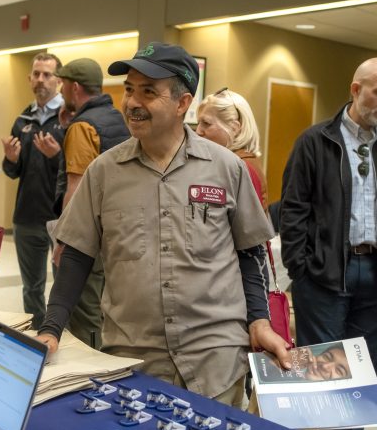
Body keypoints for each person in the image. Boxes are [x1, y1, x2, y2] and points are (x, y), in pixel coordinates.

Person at [37, 42, 290, 406]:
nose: (132, 103)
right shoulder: (104, 172)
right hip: (134, 360)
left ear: (182, 103)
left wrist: (259, 322)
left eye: (148, 92)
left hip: (215, 362)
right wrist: (51, 329)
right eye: (129, 90)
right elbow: (75, 255)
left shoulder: (226, 168)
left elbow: (249, 255)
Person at [281, 58, 377, 368]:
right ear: (355, 89)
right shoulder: (315, 141)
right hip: (324, 273)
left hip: (373, 273)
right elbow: (293, 209)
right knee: (323, 371)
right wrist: (300, 269)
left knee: (366, 370)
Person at [53, 58, 130, 348]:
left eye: (62, 84)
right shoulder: (117, 118)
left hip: (88, 239)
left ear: (74, 87)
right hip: (116, 231)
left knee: (85, 314)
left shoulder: (84, 127)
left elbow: (75, 187)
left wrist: (63, 241)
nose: (60, 90)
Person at [1, 52, 65, 329]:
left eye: (47, 74)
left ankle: (59, 335)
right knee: (31, 288)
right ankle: (37, 336)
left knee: (63, 287)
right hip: (26, 216)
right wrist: (10, 160)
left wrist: (56, 156)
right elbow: (13, 172)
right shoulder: (22, 120)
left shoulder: (68, 119)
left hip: (59, 217)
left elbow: (75, 170)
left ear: (59, 80)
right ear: (29, 79)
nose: (41, 80)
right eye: (36, 74)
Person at [196, 87, 268, 210]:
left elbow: (250, 227)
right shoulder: (230, 163)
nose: (198, 131)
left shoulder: (242, 168)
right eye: (198, 123)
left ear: (234, 127)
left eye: (206, 123)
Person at [254, 341, 351, 384]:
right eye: (327, 357)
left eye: (339, 370)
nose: (325, 366)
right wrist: (277, 363)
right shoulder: (288, 375)